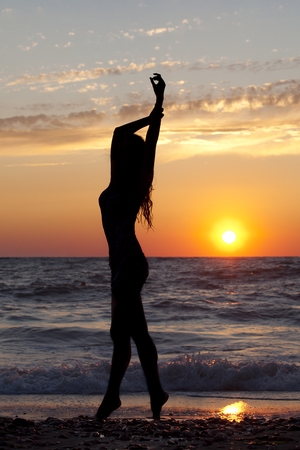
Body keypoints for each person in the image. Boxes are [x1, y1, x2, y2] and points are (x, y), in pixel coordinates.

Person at [97, 73, 168, 420]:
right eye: (121, 154)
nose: (122, 155)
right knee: (127, 334)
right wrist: (150, 111)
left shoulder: (138, 183)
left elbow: (149, 146)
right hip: (118, 267)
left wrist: (158, 113)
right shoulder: (113, 181)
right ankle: (155, 393)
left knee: (126, 333)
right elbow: (117, 134)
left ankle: (113, 398)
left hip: (132, 266)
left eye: (128, 154)